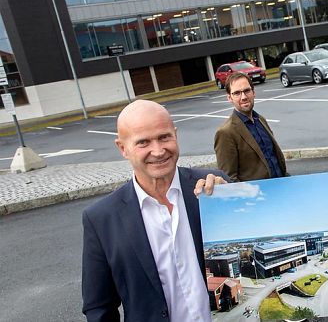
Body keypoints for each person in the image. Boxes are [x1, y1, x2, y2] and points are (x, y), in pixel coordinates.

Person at [81, 100, 230, 322]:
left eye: (164, 137)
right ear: (123, 148)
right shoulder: (102, 219)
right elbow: (99, 307)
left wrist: (231, 200)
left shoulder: (215, 189)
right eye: (143, 142)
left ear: (175, 135)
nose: (158, 151)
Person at [214, 72, 288, 181]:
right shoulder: (225, 133)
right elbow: (229, 178)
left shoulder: (261, 120)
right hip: (259, 196)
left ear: (253, 92)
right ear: (229, 97)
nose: (243, 97)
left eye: (247, 91)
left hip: (283, 186)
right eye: (237, 93)